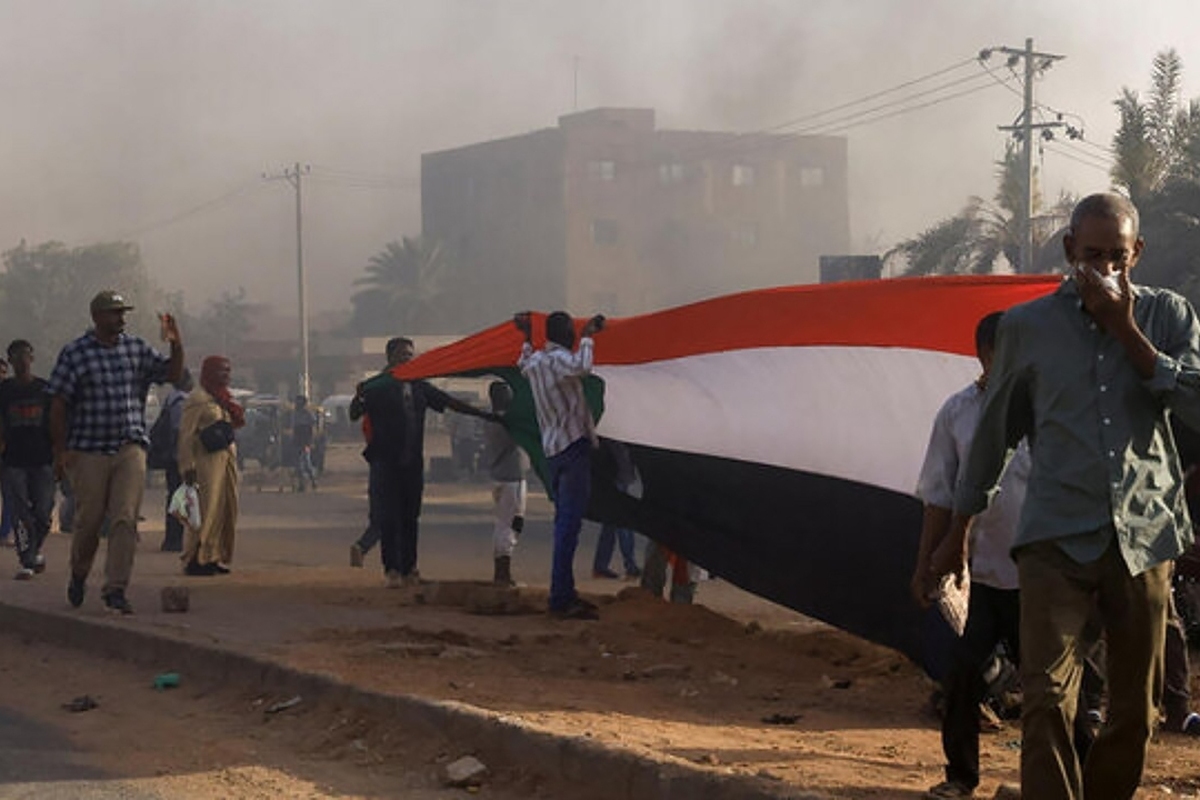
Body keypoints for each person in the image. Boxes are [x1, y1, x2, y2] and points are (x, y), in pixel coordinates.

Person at [932, 194, 1200, 799]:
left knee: (1137, 709)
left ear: (1138, 253)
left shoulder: (1169, 317)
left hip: (1144, 532)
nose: (1106, 271)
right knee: (1047, 697)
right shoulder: (1027, 328)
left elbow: (1195, 403)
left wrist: (1125, 330)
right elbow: (994, 433)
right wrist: (959, 529)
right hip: (1055, 536)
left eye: (1119, 258)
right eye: (1093, 257)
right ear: (1068, 251)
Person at [911, 313, 1031, 799]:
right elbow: (938, 495)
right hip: (981, 576)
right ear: (983, 354)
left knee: (1056, 688)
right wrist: (924, 565)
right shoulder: (958, 412)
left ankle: (1068, 781)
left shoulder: (1048, 408)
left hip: (1042, 578)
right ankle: (961, 777)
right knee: (961, 675)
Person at [49, 291, 183, 615]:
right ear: (96, 316)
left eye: (122, 313)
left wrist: (176, 343)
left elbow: (172, 375)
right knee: (90, 521)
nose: (120, 319)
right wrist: (60, 450)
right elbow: (57, 403)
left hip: (130, 446)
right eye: (113, 313)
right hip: (89, 449)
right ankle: (79, 574)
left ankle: (116, 588)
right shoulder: (75, 353)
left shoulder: (136, 349)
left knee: (125, 518)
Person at [349, 336, 495, 587]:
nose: (408, 359)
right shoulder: (377, 386)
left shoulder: (419, 386)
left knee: (410, 517)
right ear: (390, 357)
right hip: (385, 461)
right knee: (389, 518)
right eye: (403, 354)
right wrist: (359, 396)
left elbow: (449, 402)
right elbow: (354, 414)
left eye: (410, 355)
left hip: (412, 462)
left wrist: (484, 414)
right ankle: (392, 570)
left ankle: (410, 569)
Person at [515, 310, 606, 620]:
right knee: (569, 525)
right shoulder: (557, 361)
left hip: (553, 450)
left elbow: (522, 363)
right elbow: (583, 365)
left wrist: (526, 336)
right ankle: (561, 597)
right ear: (565, 335)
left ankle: (564, 591)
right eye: (572, 330)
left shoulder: (536, 363)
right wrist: (589, 337)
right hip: (572, 447)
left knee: (564, 524)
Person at [177, 356, 243, 576]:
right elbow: (186, 435)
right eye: (221, 371)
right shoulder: (198, 398)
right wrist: (187, 466)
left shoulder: (223, 398)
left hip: (226, 458)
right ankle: (197, 558)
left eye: (228, 370)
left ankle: (214, 555)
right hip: (206, 461)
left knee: (225, 508)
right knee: (206, 509)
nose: (226, 375)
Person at [0, 340, 55, 580]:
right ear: (10, 361)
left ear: (32, 358)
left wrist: (62, 453)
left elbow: (56, 422)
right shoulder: (4, 391)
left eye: (25, 355)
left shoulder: (44, 389)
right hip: (13, 460)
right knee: (21, 512)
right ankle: (27, 559)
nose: (22, 360)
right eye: (17, 356)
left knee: (43, 512)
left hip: (42, 458)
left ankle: (34, 550)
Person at [481, 381, 528, 587]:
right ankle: (502, 573)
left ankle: (502, 570)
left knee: (508, 523)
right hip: (510, 478)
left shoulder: (491, 420)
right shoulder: (504, 422)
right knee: (509, 525)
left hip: (504, 476)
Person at [158, 368, 193, 552]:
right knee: (179, 497)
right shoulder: (181, 402)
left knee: (174, 496)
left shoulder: (170, 399)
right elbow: (179, 429)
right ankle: (173, 539)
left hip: (171, 455)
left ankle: (172, 538)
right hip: (177, 456)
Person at [290, 395, 318, 492]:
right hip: (297, 440)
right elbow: (294, 429)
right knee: (298, 465)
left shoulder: (308, 414)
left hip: (305, 440)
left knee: (306, 463)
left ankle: (313, 480)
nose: (297, 404)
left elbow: (312, 429)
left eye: (299, 402)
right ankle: (302, 484)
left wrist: (311, 442)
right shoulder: (294, 414)